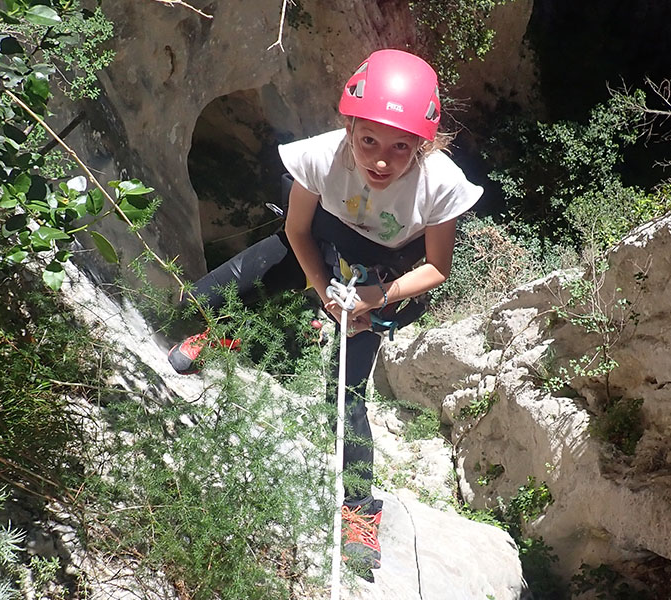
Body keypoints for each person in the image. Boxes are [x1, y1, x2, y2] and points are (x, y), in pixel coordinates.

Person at [167, 49, 483, 574]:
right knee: (205, 295)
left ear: (423, 144)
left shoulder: (440, 184)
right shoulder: (321, 156)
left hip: (382, 275)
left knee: (347, 393)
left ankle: (358, 510)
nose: (382, 160)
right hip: (316, 243)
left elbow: (436, 268)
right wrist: (322, 290)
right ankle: (225, 335)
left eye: (401, 147)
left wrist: (370, 302)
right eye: (368, 141)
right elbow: (294, 231)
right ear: (349, 126)